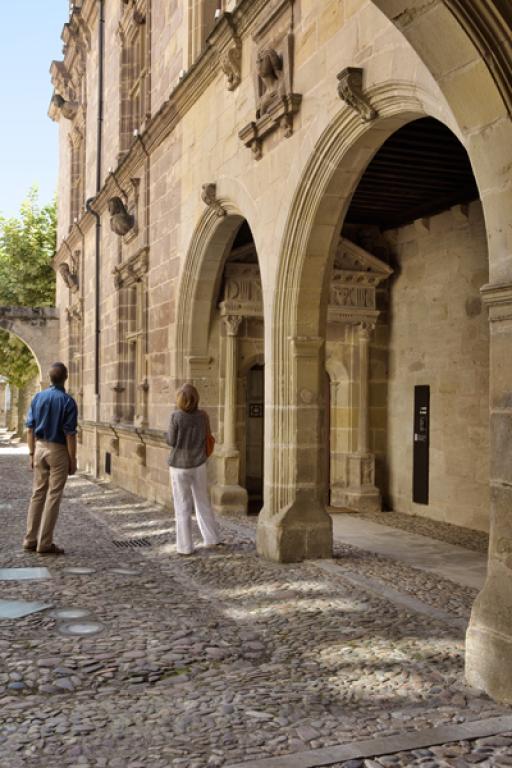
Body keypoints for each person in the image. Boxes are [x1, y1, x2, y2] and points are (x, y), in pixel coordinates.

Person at [23, 362, 78, 555]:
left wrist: (31, 453)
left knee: (37, 494)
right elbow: (70, 434)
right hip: (58, 450)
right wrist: (73, 459)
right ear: (66, 377)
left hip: (39, 448)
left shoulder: (37, 397)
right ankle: (45, 543)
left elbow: (29, 428)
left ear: (50, 378)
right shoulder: (68, 401)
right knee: (53, 496)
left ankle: (30, 539)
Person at [167, 384, 220, 555]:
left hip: (179, 465)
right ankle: (211, 538)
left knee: (182, 505)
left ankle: (185, 547)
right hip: (199, 463)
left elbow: (171, 441)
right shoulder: (203, 416)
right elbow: (208, 436)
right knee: (203, 501)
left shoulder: (175, 416)